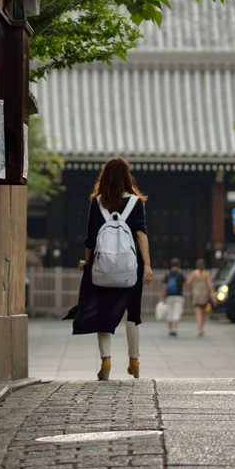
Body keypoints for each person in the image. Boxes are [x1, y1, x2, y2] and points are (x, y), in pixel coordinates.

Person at [63, 157, 153, 381]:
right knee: (132, 313)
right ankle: (134, 360)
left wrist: (87, 263)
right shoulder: (136, 203)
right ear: (126, 176)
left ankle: (106, 360)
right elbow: (141, 234)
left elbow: (90, 239)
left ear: (104, 176)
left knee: (103, 312)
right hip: (131, 268)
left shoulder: (98, 202)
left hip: (102, 268)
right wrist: (148, 265)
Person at [186, 258, 215, 337]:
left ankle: (200, 329)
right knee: (203, 312)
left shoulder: (194, 273)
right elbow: (210, 285)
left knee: (198, 312)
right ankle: (202, 327)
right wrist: (213, 295)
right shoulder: (207, 274)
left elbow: (188, 283)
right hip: (204, 294)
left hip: (196, 294)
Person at [161, 258, 185, 337]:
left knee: (170, 312)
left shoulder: (167, 274)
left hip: (169, 296)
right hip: (178, 296)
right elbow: (185, 283)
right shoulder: (180, 274)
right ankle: (174, 328)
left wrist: (162, 296)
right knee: (177, 312)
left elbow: (164, 286)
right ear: (179, 265)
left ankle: (170, 328)